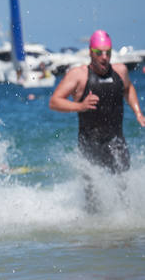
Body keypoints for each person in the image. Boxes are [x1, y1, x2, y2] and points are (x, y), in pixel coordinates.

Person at [49, 29, 145, 209]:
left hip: (116, 142)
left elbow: (129, 88)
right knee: (93, 201)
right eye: (99, 53)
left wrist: (138, 112)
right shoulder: (78, 75)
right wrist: (80, 106)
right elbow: (54, 101)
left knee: (123, 191)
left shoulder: (120, 71)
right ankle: (93, 226)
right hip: (89, 144)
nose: (104, 57)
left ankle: (124, 225)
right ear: (90, 52)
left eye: (108, 52)